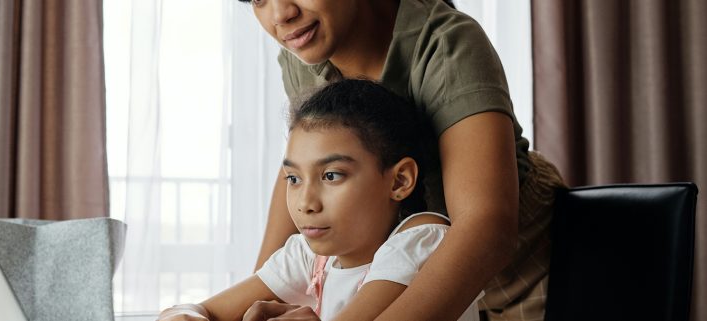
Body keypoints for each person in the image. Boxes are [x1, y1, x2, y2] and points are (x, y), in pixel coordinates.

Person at [239, 0, 566, 320]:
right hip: (400, 276)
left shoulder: (444, 44)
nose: (281, 13)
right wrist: (254, 299)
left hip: (521, 269)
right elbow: (304, 164)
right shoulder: (304, 50)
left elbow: (486, 228)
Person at [159, 80, 481, 321]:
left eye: (331, 176)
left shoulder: (422, 240)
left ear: (399, 180)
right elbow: (200, 309)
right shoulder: (312, 257)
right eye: (294, 179)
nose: (306, 203)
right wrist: (187, 315)